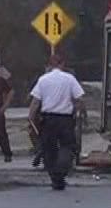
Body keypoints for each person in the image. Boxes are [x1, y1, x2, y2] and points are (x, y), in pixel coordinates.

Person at [28, 53, 85, 190]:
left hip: (48, 119)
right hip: (65, 119)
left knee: (49, 149)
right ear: (62, 64)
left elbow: (36, 101)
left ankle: (55, 178)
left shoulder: (43, 80)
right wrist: (81, 114)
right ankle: (60, 172)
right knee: (67, 146)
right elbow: (79, 99)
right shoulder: (69, 79)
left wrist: (30, 117)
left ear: (50, 64)